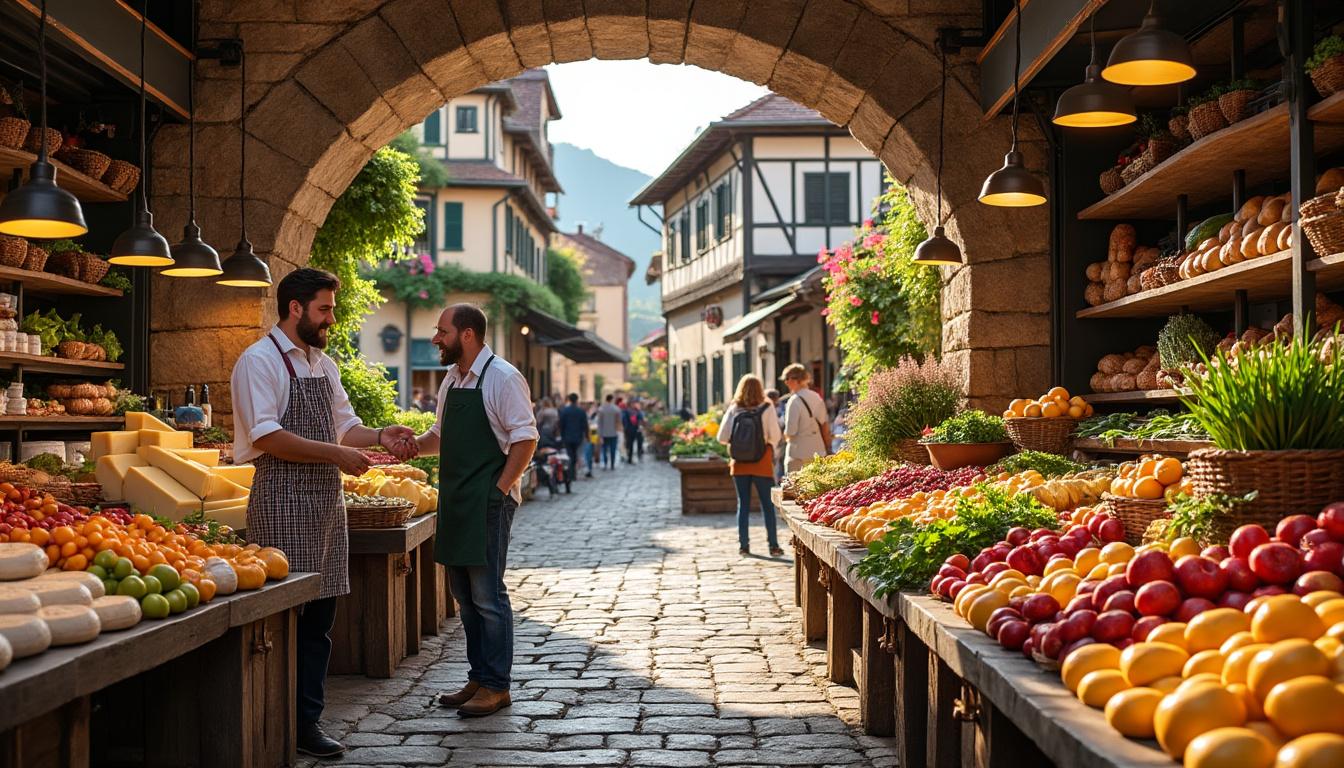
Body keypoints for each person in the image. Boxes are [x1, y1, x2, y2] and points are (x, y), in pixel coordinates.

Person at [230, 268, 417, 758]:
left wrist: (381, 436)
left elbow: (345, 426)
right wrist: (335, 454)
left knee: (319, 623)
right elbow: (267, 436)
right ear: (295, 308)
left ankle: (307, 722)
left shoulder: (323, 364)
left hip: (326, 506)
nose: (332, 318)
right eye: (325, 309)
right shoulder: (258, 361)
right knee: (282, 621)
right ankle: (275, 723)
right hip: (281, 500)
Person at [411, 304, 538, 718]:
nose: (435, 338)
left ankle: (497, 686)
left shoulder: (503, 377)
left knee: (488, 597)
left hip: (487, 501)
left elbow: (525, 439)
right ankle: (479, 677)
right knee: (464, 598)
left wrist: (498, 490)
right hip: (456, 500)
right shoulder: (452, 378)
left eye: (442, 331)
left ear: (466, 334)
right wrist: (407, 446)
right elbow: (440, 436)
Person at [716, 374, 784, 557]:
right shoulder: (767, 407)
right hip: (762, 461)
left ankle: (744, 546)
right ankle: (773, 546)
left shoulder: (735, 408)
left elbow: (722, 437)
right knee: (767, 505)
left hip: (739, 463)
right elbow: (775, 436)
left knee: (743, 504)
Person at [781, 363, 831, 474]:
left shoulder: (794, 401)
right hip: (818, 451)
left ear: (796, 380)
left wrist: (784, 436)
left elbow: (791, 431)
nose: (786, 382)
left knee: (793, 484)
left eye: (787, 378)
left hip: (798, 454)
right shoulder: (817, 397)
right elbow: (824, 424)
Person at [557, 393, 589, 479]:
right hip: (578, 436)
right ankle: (572, 473)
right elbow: (585, 425)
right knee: (575, 455)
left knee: (570, 455)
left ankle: (571, 473)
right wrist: (587, 435)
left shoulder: (565, 411)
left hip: (567, 436)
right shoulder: (581, 411)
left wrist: (562, 435)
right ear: (577, 400)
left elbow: (561, 424)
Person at [596, 394, 621, 470]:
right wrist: (618, 430)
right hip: (613, 432)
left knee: (604, 449)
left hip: (604, 433)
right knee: (613, 449)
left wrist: (599, 434)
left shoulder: (601, 409)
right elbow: (619, 421)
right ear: (612, 399)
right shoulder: (616, 409)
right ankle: (612, 464)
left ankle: (605, 463)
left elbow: (599, 423)